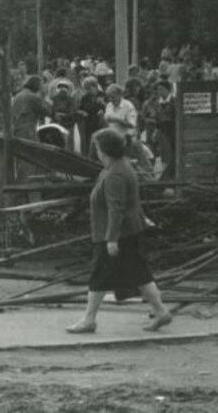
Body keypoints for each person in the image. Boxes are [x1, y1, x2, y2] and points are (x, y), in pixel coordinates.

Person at [65, 128, 171, 335]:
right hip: (126, 231)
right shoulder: (119, 167)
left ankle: (89, 320)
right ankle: (161, 311)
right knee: (139, 274)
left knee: (99, 275)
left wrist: (111, 239)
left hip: (115, 234)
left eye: (96, 147)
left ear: (103, 150)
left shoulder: (115, 174)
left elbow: (117, 208)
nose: (95, 151)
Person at [104, 83, 154, 179]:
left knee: (140, 161)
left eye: (113, 97)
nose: (111, 100)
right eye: (109, 97)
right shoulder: (109, 105)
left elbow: (132, 124)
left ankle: (149, 178)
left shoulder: (128, 106)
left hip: (128, 138)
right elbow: (107, 121)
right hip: (114, 139)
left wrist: (116, 119)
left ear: (119, 95)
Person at [11, 75, 49, 142]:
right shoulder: (33, 97)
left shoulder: (17, 95)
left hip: (16, 129)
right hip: (28, 131)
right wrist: (43, 95)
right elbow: (45, 111)